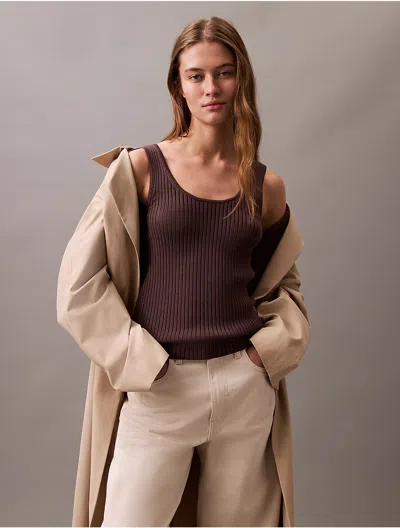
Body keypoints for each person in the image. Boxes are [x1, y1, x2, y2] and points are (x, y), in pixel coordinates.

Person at [57, 15, 310, 528]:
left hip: (244, 390)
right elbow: (78, 286)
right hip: (160, 388)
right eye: (196, 75)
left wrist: (264, 355)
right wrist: (142, 363)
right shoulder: (139, 170)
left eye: (224, 72)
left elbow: (279, 286)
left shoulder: (267, 187)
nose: (211, 87)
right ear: (179, 84)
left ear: (242, 79)